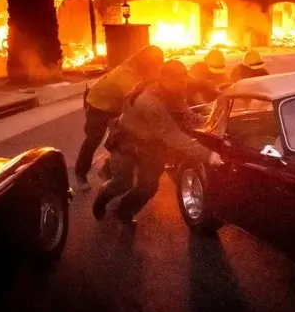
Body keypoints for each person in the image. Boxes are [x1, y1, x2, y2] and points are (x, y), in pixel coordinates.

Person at [92, 60, 221, 225]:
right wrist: (207, 153)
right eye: (180, 82)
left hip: (152, 144)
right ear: (166, 79)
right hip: (126, 142)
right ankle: (102, 198)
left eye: (184, 80)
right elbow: (171, 134)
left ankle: (124, 210)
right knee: (122, 183)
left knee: (148, 187)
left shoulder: (174, 91)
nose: (184, 85)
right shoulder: (149, 102)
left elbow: (188, 119)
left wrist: (215, 120)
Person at [74, 45, 164, 191]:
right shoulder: (126, 76)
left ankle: (106, 169)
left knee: (126, 136)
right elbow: (137, 100)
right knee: (93, 139)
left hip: (117, 103)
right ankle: (80, 174)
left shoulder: (141, 63)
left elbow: (163, 75)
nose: (156, 68)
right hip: (98, 104)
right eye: (154, 65)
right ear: (145, 62)